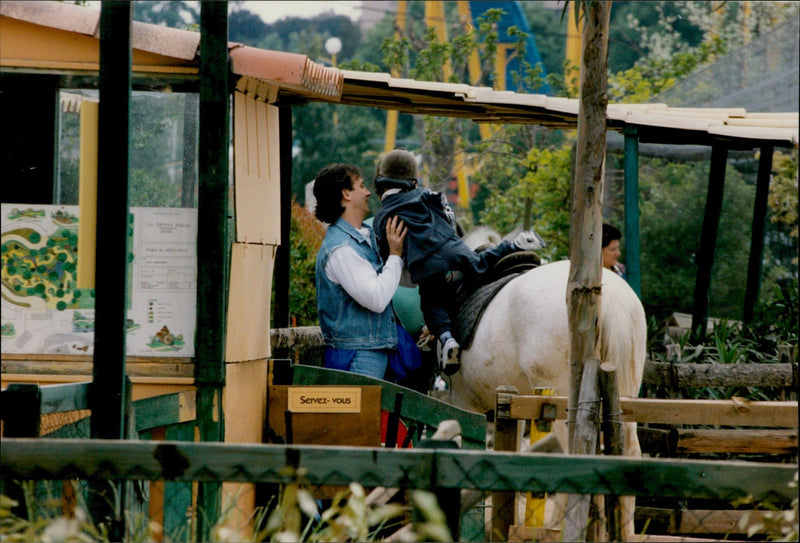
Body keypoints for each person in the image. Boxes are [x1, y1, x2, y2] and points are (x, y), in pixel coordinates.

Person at [372, 149, 545, 376]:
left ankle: (446, 339)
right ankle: (513, 244)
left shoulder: (382, 217)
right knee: (480, 265)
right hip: (452, 245)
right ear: (413, 181)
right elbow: (447, 215)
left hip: (426, 263)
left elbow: (385, 253)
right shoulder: (426, 195)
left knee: (431, 304)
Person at [313, 162, 419, 381]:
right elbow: (377, 298)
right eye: (361, 186)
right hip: (358, 358)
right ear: (346, 194)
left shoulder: (363, 237)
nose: (368, 192)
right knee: (359, 415)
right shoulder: (342, 250)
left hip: (370, 352)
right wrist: (395, 255)